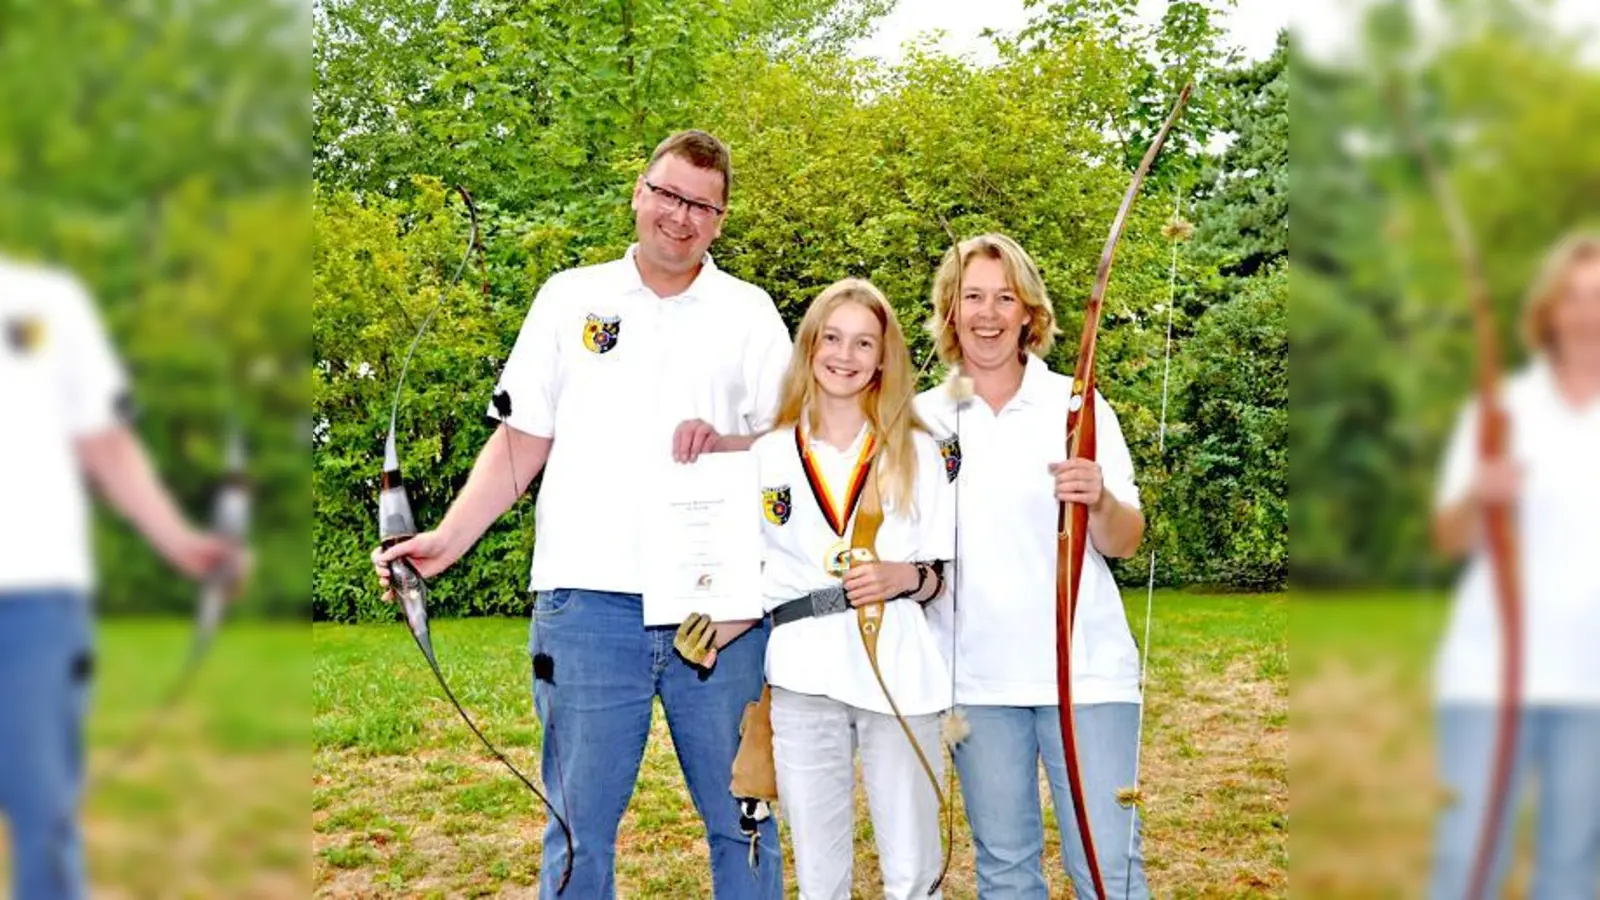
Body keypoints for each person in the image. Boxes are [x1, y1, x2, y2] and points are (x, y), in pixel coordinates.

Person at [371, 129, 792, 898]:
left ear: (721, 220)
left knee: (744, 819)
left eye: (702, 205)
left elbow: (789, 449)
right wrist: (449, 540)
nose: (680, 216)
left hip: (720, 614)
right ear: (639, 192)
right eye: (668, 195)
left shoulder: (750, 313)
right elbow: (521, 438)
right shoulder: (570, 298)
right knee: (577, 831)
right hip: (586, 607)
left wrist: (731, 446)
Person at [681, 277, 953, 899]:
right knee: (819, 874)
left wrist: (903, 577)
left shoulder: (916, 450)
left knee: (912, 870)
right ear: (809, 346)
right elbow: (754, 578)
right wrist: (709, 629)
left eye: (863, 343)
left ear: (884, 357)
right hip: (803, 674)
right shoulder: (770, 454)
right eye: (832, 338)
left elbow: (943, 578)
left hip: (897, 669)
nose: (845, 355)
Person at [913, 233, 1150, 899]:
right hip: (977, 679)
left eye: (1004, 297)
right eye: (972, 297)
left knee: (1110, 870)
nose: (988, 314)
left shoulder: (1075, 405)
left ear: (1029, 314)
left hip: (1087, 675)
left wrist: (1099, 497)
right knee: (1006, 872)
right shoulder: (922, 419)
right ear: (951, 311)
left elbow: (1124, 539)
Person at [0, 257, 238, 900]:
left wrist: (181, 543)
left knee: (44, 820)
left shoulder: (46, 301)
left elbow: (105, 441)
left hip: (32, 602)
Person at [1427, 231, 1600, 900]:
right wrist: (1482, 492)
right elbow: (1449, 537)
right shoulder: (1501, 412)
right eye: (1576, 298)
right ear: (1550, 312)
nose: (1589, 314)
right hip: (1488, 677)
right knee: (1467, 859)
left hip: (1591, 683)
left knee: (1572, 867)